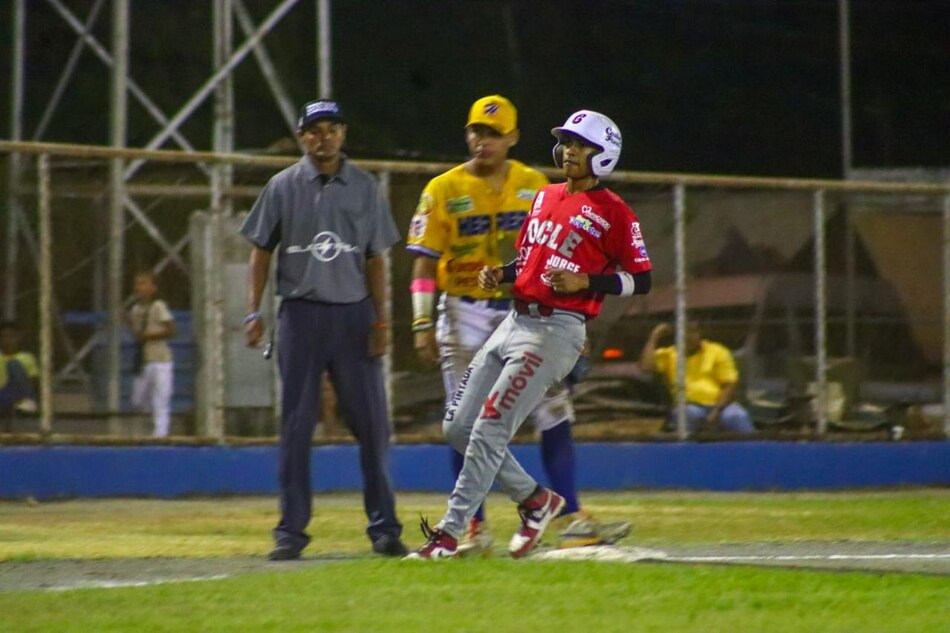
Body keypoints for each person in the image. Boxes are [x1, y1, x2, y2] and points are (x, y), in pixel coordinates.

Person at [406, 109, 653, 559]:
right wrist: (501, 273)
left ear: (604, 154)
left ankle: (449, 531)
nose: (569, 151)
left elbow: (641, 279)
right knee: (457, 425)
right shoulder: (546, 195)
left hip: (554, 331)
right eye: (566, 142)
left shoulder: (615, 211)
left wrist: (588, 283)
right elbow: (531, 261)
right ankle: (537, 501)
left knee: (489, 430)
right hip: (514, 321)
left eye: (580, 144)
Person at [240, 98, 407, 560]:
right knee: (295, 428)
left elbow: (377, 258)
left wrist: (381, 319)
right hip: (301, 315)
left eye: (332, 128)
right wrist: (253, 311)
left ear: (343, 134)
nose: (323, 137)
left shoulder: (365, 187)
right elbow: (260, 252)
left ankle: (385, 529)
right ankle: (290, 534)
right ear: (302, 137)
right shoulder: (282, 186)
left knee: (374, 427)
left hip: (353, 317)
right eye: (314, 130)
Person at [638, 320, 756, 434]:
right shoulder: (668, 354)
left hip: (721, 406)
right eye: (684, 332)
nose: (689, 336)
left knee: (737, 416)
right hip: (689, 406)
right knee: (685, 415)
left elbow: (730, 384)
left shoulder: (717, 351)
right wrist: (654, 337)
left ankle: (755, 451)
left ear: (700, 333)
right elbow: (646, 367)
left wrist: (716, 412)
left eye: (693, 331)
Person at [127, 271, 176, 437]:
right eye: (138, 283)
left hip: (161, 359)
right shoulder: (135, 310)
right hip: (144, 359)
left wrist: (148, 336)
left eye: (144, 283)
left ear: (153, 288)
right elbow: (136, 334)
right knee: (138, 398)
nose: (139, 287)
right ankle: (149, 423)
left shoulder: (158, 306)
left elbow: (170, 330)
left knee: (161, 399)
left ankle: (160, 434)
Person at [0, 321, 39, 425]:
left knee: (13, 364)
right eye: (4, 337)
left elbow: (33, 381)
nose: (7, 340)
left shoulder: (27, 357)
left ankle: (23, 404)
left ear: (19, 338)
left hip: (20, 394)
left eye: (12, 337)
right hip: (2, 394)